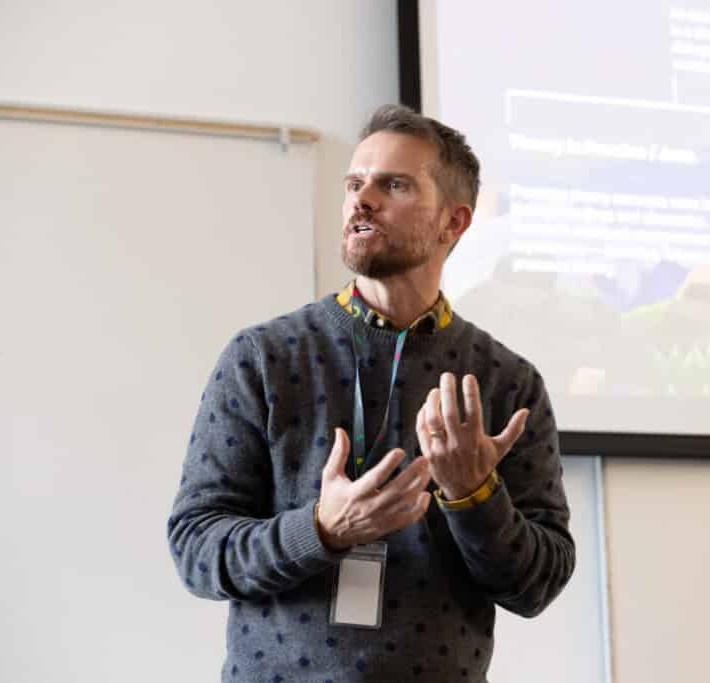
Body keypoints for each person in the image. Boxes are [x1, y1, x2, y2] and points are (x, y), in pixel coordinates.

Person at [167, 104, 575, 682]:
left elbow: (539, 584)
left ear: (453, 223)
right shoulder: (263, 358)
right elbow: (196, 549)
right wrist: (323, 530)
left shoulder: (507, 382)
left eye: (395, 185)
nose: (362, 200)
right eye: (355, 183)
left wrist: (473, 495)